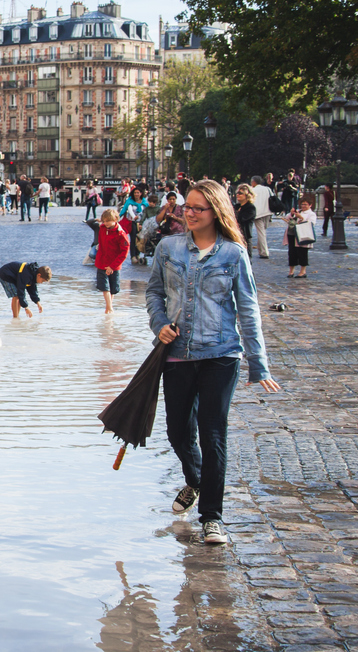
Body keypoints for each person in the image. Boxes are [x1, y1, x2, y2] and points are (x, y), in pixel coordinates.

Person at [146, 180, 280, 546]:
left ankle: (212, 518)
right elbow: (154, 292)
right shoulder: (168, 248)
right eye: (186, 207)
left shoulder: (233, 254)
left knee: (213, 432)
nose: (188, 213)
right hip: (177, 354)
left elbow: (248, 310)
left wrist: (258, 363)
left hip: (221, 354)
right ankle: (195, 479)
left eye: (197, 208)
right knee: (177, 431)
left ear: (215, 212)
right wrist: (159, 325)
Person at [96, 208, 130, 314]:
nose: (105, 223)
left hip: (114, 264)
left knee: (112, 287)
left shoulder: (120, 234)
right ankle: (109, 308)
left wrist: (113, 266)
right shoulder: (102, 228)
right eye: (104, 221)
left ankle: (109, 306)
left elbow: (124, 252)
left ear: (115, 219)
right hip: (102, 262)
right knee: (104, 287)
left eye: (108, 221)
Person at [284, 196, 317, 278]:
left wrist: (301, 218)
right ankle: (291, 271)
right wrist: (291, 214)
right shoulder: (298, 211)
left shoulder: (311, 214)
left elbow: (311, 224)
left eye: (305, 204)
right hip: (292, 234)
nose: (303, 206)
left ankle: (303, 271)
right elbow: (287, 218)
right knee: (292, 253)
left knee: (302, 253)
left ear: (310, 205)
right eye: (302, 204)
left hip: (303, 235)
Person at [120, 187, 149, 263]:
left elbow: (146, 211)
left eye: (138, 193)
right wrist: (134, 217)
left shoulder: (144, 202)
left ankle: (138, 254)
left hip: (142, 223)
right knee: (133, 239)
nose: (136, 194)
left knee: (139, 238)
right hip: (132, 222)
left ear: (141, 193)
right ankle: (133, 256)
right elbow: (129, 210)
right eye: (135, 193)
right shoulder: (130, 201)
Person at [250, 175, 274, 258]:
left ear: (253, 182)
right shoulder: (267, 189)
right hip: (267, 212)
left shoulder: (253, 190)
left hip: (258, 213)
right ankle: (261, 250)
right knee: (262, 232)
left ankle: (264, 252)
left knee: (261, 233)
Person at [233, 184, 256, 253]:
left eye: (240, 193)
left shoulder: (250, 208)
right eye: (237, 193)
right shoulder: (236, 206)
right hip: (235, 234)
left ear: (247, 195)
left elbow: (241, 219)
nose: (238, 195)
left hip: (245, 235)